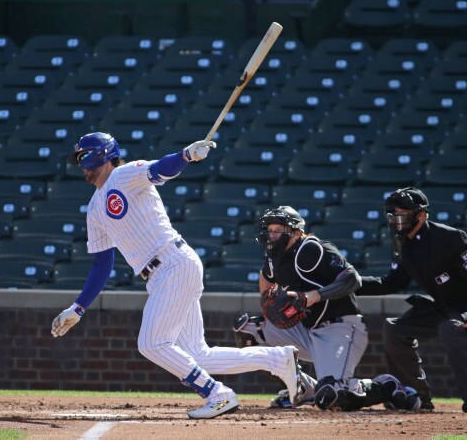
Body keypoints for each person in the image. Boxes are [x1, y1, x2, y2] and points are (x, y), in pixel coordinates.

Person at [50, 132, 300, 419]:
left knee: (152, 343)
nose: (80, 164)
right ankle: (279, 359)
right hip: (162, 274)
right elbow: (101, 264)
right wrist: (78, 307)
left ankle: (217, 394)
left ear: (102, 154)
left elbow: (159, 169)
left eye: (84, 157)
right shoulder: (94, 208)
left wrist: (186, 155)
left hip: (172, 263)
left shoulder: (123, 175)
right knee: (198, 354)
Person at [233, 205, 421, 412]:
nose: (271, 234)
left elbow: (352, 279)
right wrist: (268, 306)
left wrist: (313, 297)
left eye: (278, 229)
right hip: (307, 329)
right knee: (249, 332)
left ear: (296, 232)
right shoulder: (274, 257)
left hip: (340, 328)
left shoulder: (310, 249)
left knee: (332, 396)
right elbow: (266, 278)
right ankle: (303, 387)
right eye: (269, 230)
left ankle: (385, 387)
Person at [358, 187, 467, 413]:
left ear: (421, 215)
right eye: (392, 214)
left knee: (451, 328)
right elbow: (393, 282)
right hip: (445, 305)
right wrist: (352, 283)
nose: (396, 220)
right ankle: (412, 395)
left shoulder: (450, 237)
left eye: (402, 214)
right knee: (395, 329)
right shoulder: (403, 244)